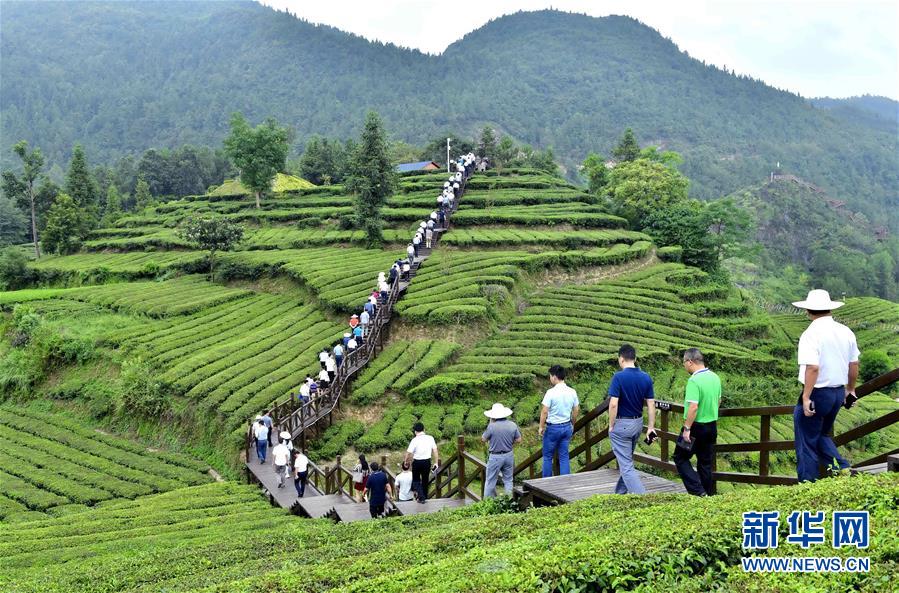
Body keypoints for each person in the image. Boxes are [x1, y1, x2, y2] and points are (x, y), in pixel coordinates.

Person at [791, 289, 858, 482]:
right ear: (829, 309)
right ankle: (843, 469)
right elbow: (853, 364)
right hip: (837, 393)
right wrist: (850, 390)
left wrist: (806, 397)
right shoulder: (845, 331)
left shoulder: (810, 334)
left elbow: (812, 367)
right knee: (821, 435)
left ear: (808, 311)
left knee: (806, 442)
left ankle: (807, 484)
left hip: (817, 393)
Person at [608, 344, 657, 494]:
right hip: (637, 423)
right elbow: (651, 403)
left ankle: (643, 497)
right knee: (627, 461)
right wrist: (650, 427)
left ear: (621, 359)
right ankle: (619, 494)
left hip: (622, 425)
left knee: (626, 465)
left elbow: (613, 404)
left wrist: (611, 425)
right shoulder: (645, 377)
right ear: (635, 358)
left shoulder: (618, 377)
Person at [674, 348, 721, 496]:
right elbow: (718, 401)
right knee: (705, 463)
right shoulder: (715, 377)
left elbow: (693, 407)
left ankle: (698, 492)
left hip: (695, 427)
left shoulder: (694, 380)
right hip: (711, 426)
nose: (684, 366)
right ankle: (707, 494)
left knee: (680, 458)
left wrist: (687, 428)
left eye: (684, 362)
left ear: (690, 362)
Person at [538, 365, 579, 477]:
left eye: (550, 376)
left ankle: (546, 483)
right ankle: (565, 482)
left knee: (547, 457)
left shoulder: (550, 392)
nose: (550, 378)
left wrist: (541, 427)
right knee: (564, 456)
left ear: (554, 377)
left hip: (553, 428)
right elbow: (576, 410)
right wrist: (572, 423)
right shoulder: (572, 391)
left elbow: (544, 411)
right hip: (566, 426)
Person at [481, 403, 522, 498]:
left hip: (495, 456)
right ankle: (509, 501)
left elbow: (483, 439)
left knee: (490, 480)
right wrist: (510, 443)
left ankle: (488, 503)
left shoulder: (492, 426)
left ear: (493, 416)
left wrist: (490, 423)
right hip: (509, 455)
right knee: (508, 480)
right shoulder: (512, 425)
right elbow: (519, 440)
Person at [404, 422, 439, 502]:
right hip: (427, 462)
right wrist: (436, 462)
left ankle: (421, 496)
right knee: (425, 480)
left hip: (417, 462)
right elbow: (435, 450)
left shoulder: (414, 440)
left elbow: (409, 453)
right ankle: (425, 497)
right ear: (424, 429)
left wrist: (406, 461)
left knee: (416, 481)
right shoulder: (430, 438)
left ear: (415, 431)